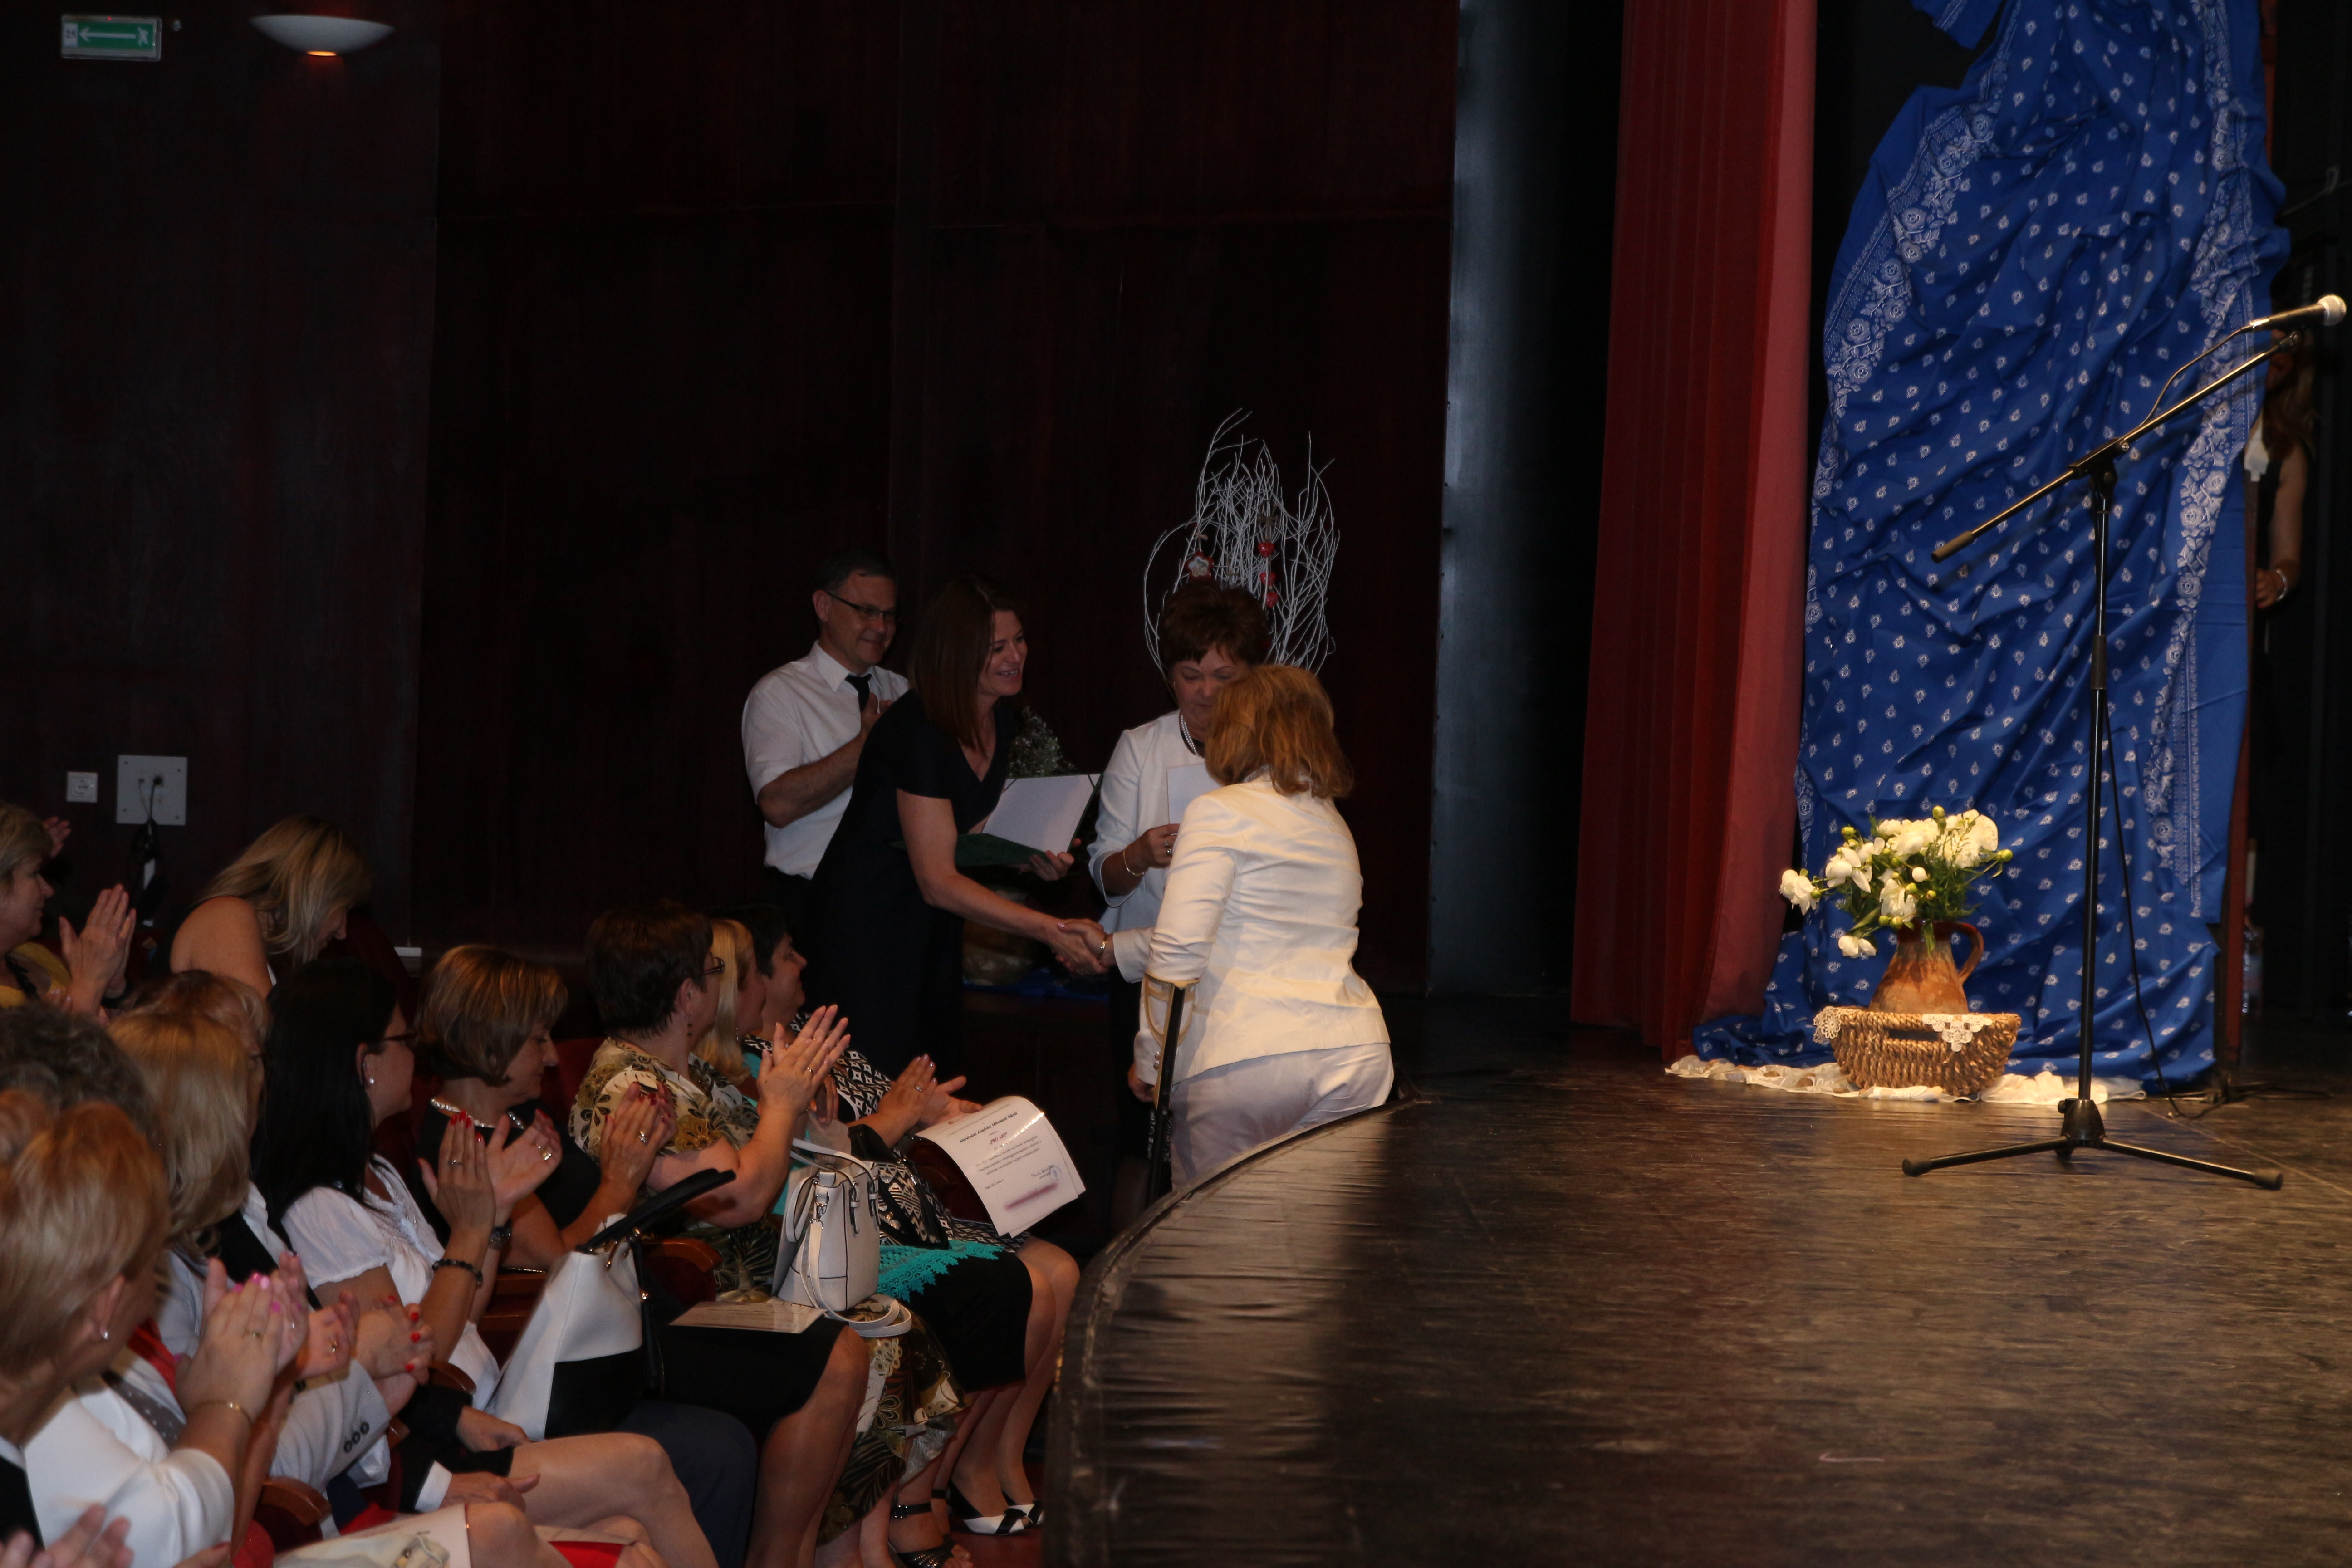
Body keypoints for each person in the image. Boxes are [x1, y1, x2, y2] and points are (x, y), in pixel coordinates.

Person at [250, 960, 722, 1568]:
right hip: (433, 1440)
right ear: (365, 1063)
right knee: (647, 1467)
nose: (416, 1055)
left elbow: (465, 1309)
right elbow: (411, 1356)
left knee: (629, 1531)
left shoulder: (378, 1172)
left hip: (476, 1409)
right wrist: (475, 1230)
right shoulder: (318, 1208)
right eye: (403, 1040)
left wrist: (493, 1219)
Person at [568, 906, 882, 1568]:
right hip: (664, 1305)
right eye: (716, 970)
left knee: (863, 1334)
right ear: (688, 996)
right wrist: (781, 1106)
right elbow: (738, 1198)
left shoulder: (678, 1072)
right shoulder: (635, 1087)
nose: (727, 983)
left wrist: (799, 1103)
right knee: (838, 1355)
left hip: (709, 1286)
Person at [805, 576, 1107, 1078]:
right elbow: (938, 879)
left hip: (931, 927)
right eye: (997, 648)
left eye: (1019, 640)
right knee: (877, 1085)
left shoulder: (1001, 719)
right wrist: (1049, 930)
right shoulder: (919, 730)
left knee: (933, 1077)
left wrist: (1028, 855)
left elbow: (966, 832)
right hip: (868, 932)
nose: (1016, 656)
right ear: (957, 654)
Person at [1125, 666, 1392, 1186]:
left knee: (1213, 1234)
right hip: (1353, 1054)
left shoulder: (1219, 810)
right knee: (1313, 1234)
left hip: (1246, 1057)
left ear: (1236, 732)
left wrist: (1153, 1063)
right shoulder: (1334, 824)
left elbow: (1178, 952)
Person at [1087, 583, 1268, 1221]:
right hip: (1148, 978)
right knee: (1143, 1143)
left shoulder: (1269, 752)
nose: (1206, 693)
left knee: (1226, 1144)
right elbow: (1105, 878)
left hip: (1234, 976)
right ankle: (1122, 1267)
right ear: (1170, 677)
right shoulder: (1142, 746)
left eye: (1224, 676)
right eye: (1191, 676)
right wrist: (1140, 854)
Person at [742, 551, 911, 941]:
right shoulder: (780, 693)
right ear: (823, 606)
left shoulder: (905, 692)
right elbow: (777, 805)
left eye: (889, 615)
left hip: (897, 902)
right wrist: (866, 746)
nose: (880, 627)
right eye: (867, 611)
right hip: (815, 905)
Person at [170, 818, 371, 997]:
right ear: (317, 895)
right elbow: (257, 1026)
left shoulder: (237, 925)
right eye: (345, 908)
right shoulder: (225, 918)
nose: (342, 932)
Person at [0, 802, 132, 1017]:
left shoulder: (38, 957)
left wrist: (112, 990)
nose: (48, 890)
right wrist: (89, 984)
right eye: (34, 873)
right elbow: (56, 1040)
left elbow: (119, 1036)